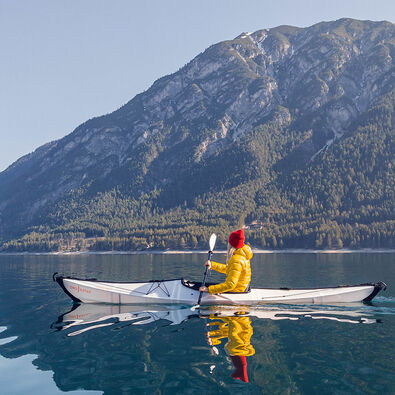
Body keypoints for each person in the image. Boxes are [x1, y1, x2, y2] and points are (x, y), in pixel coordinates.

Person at [199, 229, 252, 294]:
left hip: (236, 290)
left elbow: (231, 285)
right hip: (242, 288)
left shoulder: (237, 260)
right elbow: (230, 270)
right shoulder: (242, 255)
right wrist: (212, 265)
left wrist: (209, 289)